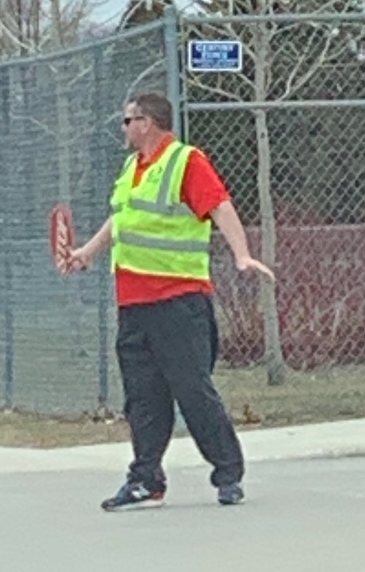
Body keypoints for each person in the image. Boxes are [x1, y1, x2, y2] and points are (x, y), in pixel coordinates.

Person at [69, 92, 274, 511]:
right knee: (143, 398)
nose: (123, 128)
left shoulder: (185, 161)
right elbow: (122, 218)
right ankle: (146, 481)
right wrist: (88, 251)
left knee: (192, 391)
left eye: (128, 121)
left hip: (179, 301)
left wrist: (241, 254)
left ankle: (228, 473)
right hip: (133, 303)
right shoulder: (132, 168)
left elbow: (220, 206)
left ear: (148, 123)